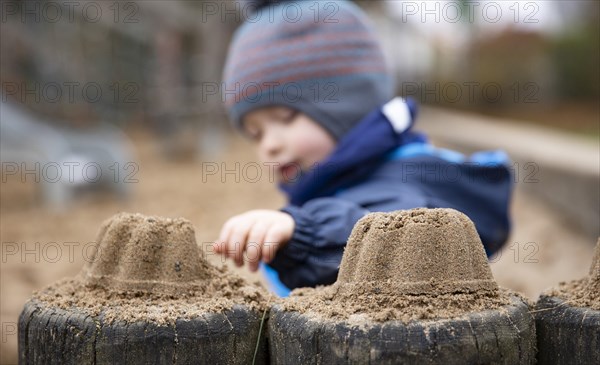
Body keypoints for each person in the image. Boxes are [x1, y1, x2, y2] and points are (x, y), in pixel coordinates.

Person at [214, 0, 513, 295]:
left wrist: (303, 232)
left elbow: (392, 229)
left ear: (348, 107)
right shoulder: (333, 185)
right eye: (255, 134)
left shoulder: (407, 176)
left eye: (286, 117)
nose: (269, 145)